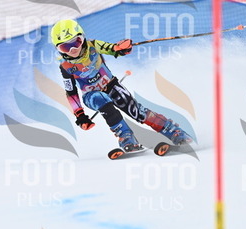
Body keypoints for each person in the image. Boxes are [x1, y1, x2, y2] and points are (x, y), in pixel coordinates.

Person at [51, 19, 192, 152]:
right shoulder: (65, 66)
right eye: (65, 47)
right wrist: (80, 115)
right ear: (58, 49)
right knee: (100, 99)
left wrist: (123, 48)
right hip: (90, 95)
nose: (72, 49)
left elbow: (113, 49)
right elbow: (71, 92)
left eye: (76, 42)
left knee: (136, 111)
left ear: (82, 38)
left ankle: (173, 131)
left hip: (111, 85)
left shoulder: (93, 45)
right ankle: (126, 137)